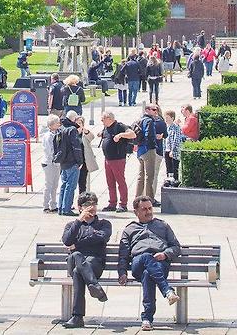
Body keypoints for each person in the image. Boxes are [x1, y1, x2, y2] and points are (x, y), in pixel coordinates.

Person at [117, 196, 181, 330]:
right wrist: (122, 272)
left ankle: (147, 319)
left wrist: (165, 254)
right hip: (138, 263)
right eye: (144, 209)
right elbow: (123, 255)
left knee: (148, 275)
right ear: (136, 212)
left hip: (159, 263)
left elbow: (175, 246)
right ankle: (167, 291)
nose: (148, 211)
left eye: (150, 208)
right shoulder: (130, 229)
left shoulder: (162, 225)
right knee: (146, 256)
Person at [59, 192, 112, 329]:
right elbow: (66, 241)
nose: (92, 207)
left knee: (78, 271)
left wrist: (77, 245)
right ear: (80, 207)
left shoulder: (104, 224)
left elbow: (101, 238)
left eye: (94, 204)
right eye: (87, 204)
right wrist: (78, 221)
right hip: (74, 261)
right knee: (76, 257)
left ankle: (77, 317)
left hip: (95, 264)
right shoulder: (72, 225)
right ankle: (94, 286)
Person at [98, 110, 134, 211]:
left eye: (102, 119)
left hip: (118, 159)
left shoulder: (119, 126)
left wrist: (120, 135)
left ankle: (123, 204)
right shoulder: (106, 128)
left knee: (120, 181)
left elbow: (132, 134)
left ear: (109, 118)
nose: (102, 121)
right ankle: (112, 203)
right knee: (110, 182)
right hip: (107, 159)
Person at [133, 104, 164, 205]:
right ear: (147, 110)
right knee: (149, 176)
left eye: (157, 110)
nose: (156, 111)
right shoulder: (149, 121)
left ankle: (137, 199)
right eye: (154, 110)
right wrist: (154, 143)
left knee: (140, 176)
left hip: (140, 150)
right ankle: (149, 199)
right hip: (148, 150)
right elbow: (148, 135)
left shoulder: (139, 119)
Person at [54, 111, 84, 216]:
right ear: (73, 119)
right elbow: (76, 147)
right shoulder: (72, 130)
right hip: (72, 162)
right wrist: (80, 161)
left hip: (63, 161)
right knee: (70, 186)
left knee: (64, 185)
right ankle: (66, 208)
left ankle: (61, 208)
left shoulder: (61, 129)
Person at [41, 116, 62, 213]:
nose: (59, 124)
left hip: (56, 163)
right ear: (51, 125)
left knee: (55, 184)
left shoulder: (57, 134)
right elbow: (49, 150)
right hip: (49, 163)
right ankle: (45, 205)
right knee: (48, 184)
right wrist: (54, 159)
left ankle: (53, 204)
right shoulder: (48, 136)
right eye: (56, 123)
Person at [77, 116, 99, 195]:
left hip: (84, 162)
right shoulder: (71, 133)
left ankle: (82, 201)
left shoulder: (85, 133)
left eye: (80, 123)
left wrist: (85, 131)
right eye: (77, 123)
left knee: (82, 183)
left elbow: (92, 137)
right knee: (71, 184)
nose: (78, 125)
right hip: (74, 162)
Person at [162, 110, 184, 183]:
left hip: (173, 151)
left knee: (174, 167)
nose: (166, 119)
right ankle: (169, 180)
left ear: (172, 118)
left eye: (167, 117)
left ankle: (175, 181)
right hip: (166, 150)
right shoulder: (166, 127)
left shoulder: (176, 127)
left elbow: (176, 139)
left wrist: (172, 150)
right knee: (168, 167)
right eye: (165, 117)